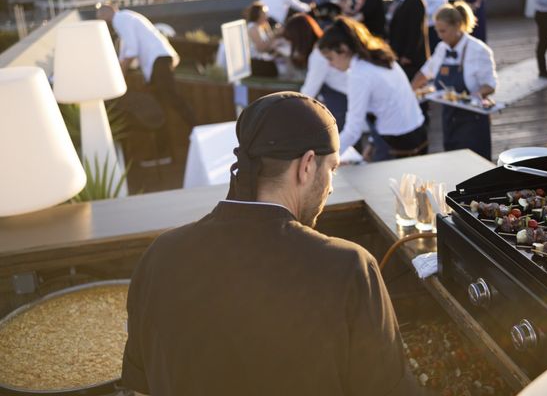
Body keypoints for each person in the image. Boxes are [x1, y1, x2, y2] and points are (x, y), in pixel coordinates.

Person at [121, 91, 422, 396]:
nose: (331, 187)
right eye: (331, 168)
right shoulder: (349, 268)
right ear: (306, 166)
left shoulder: (160, 256)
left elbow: (141, 385)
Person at [96, 3, 196, 162]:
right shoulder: (127, 17)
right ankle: (164, 152)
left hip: (159, 61)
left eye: (99, 16)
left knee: (173, 99)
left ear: (106, 13)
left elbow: (131, 50)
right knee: (161, 106)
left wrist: (119, 76)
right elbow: (125, 54)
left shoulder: (120, 19)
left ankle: (197, 130)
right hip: (159, 61)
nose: (100, 20)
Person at [318, 17, 427, 159]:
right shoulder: (381, 56)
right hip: (418, 130)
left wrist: (326, 159)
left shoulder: (358, 74)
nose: (329, 65)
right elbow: (389, 106)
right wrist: (372, 141)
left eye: (330, 58)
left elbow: (353, 130)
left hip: (397, 142)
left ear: (343, 49)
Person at [411, 2, 497, 161]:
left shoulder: (479, 50)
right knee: (454, 164)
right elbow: (424, 73)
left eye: (443, 31)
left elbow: (490, 85)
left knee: (476, 168)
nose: (439, 35)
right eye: (437, 31)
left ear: (458, 25)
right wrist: (409, 92)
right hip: (449, 118)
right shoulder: (441, 49)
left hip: (473, 120)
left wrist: (476, 94)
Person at [283, 14, 348, 130]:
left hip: (343, 101)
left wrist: (290, 111)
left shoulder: (318, 56)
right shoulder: (323, 48)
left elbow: (309, 91)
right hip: (344, 98)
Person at [388, 0, 427, 79]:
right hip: (400, 54)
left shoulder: (415, 1)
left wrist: (408, 55)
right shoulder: (402, 0)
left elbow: (416, 31)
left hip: (410, 60)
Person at [244, 2, 279, 77]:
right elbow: (261, 48)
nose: (267, 15)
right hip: (256, 64)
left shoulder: (260, 26)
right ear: (258, 14)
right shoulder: (253, 28)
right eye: (265, 13)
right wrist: (274, 35)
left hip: (262, 60)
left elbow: (269, 44)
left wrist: (269, 29)